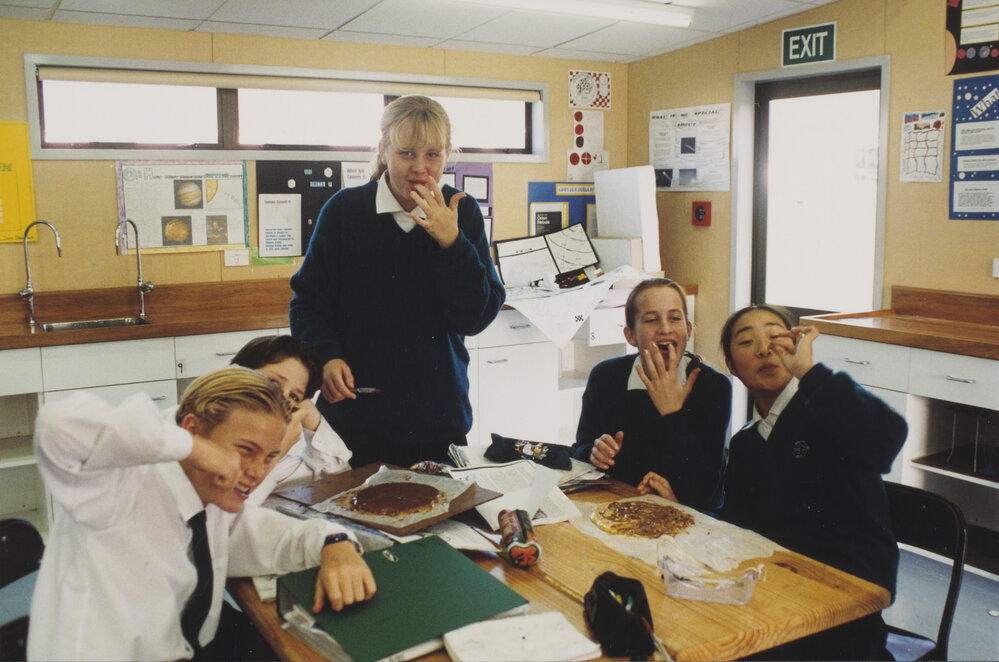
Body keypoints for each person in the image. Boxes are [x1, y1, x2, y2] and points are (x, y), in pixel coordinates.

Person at [28, 367, 377, 661]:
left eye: (270, 456)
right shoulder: (117, 488)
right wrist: (196, 450)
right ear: (192, 429)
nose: (256, 472)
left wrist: (335, 543)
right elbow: (57, 424)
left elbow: (273, 534)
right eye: (245, 450)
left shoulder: (210, 502)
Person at [639, 304, 906, 660]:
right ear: (732, 367)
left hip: (841, 618)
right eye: (747, 342)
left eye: (776, 336)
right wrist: (684, 510)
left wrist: (811, 374)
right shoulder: (747, 442)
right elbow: (740, 529)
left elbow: (887, 438)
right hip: (773, 599)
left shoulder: (827, 412)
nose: (764, 349)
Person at [289, 95, 505, 468]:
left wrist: (451, 243)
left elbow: (476, 317)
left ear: (447, 156)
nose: (420, 168)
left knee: (441, 522)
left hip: (435, 418)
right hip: (354, 417)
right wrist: (327, 357)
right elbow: (308, 303)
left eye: (433, 155)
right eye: (406, 153)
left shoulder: (461, 211)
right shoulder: (344, 211)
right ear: (383, 149)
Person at [572, 278, 731, 511]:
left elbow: (706, 490)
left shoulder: (713, 385)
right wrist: (594, 451)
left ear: (688, 330)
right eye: (651, 320)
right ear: (630, 335)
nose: (665, 328)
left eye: (675, 318)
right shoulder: (605, 376)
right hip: (617, 504)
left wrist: (672, 414)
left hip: (685, 512)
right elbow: (579, 450)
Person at [229, 334, 352, 505]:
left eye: (293, 396)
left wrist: (306, 407)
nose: (281, 400)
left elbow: (337, 473)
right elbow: (221, 518)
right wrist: (274, 454)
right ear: (234, 374)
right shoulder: (191, 436)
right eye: (273, 382)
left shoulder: (277, 463)